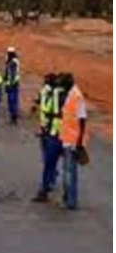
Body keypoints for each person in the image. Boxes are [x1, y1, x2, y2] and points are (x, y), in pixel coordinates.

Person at [32, 73, 64, 202]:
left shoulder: (51, 94)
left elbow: (50, 112)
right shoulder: (57, 93)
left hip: (51, 132)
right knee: (49, 159)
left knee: (48, 160)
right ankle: (50, 179)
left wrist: (43, 128)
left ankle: (45, 188)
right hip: (52, 131)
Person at [58, 73, 88, 210]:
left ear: (69, 82)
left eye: (63, 83)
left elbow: (82, 121)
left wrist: (80, 144)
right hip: (66, 139)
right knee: (66, 172)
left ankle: (71, 202)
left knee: (70, 173)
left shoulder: (77, 96)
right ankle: (67, 198)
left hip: (73, 142)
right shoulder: (70, 94)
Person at [4, 47, 20, 124]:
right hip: (14, 83)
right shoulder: (14, 60)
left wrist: (9, 83)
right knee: (13, 99)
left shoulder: (12, 62)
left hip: (12, 83)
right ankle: (14, 114)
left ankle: (13, 116)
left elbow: (12, 74)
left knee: (11, 100)